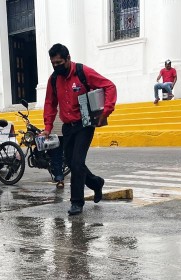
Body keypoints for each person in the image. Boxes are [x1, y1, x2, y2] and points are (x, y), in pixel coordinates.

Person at [43, 43, 116, 216]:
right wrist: (47, 127)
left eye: (59, 63)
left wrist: (106, 111)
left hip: (85, 124)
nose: (56, 67)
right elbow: (50, 103)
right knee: (72, 162)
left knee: (76, 163)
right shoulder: (53, 79)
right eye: (53, 63)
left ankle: (77, 202)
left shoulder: (83, 72)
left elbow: (109, 86)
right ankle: (96, 183)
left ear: (68, 58)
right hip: (68, 127)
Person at [48, 112, 65, 188]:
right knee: (55, 156)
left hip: (68, 129)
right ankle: (59, 178)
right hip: (54, 131)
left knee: (71, 157)